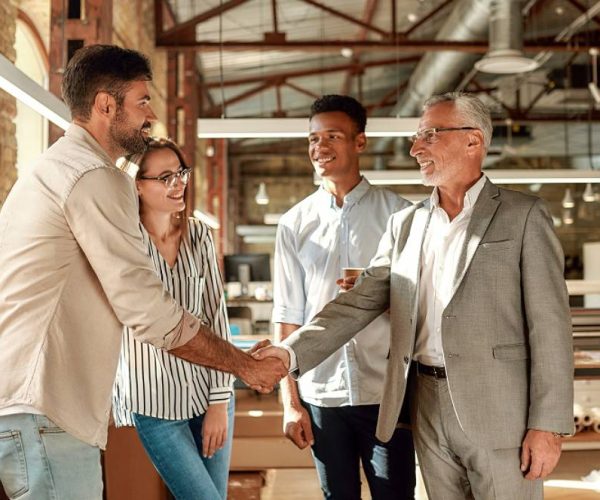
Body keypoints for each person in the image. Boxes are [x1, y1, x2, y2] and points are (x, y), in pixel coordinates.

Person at [0, 44, 285, 500]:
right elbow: (147, 311)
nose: (150, 115)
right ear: (105, 106)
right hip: (47, 407)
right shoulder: (95, 176)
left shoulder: (48, 170)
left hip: (25, 404)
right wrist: (246, 367)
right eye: (142, 102)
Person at [256, 92, 574, 500]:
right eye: (416, 137)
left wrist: (547, 425)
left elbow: (550, 328)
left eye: (429, 135)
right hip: (424, 404)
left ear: (473, 141)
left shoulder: (523, 215)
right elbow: (359, 303)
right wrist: (288, 354)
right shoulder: (406, 224)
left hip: (501, 413)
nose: (414, 148)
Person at [272, 94, 415, 499]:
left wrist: (381, 295)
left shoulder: (400, 215)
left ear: (360, 142)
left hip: (386, 393)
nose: (320, 147)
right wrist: (291, 403)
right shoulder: (293, 223)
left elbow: (424, 306)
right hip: (321, 394)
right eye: (314, 139)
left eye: (332, 136)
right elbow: (287, 316)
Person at [112, 138, 234, 500]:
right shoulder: (123, 241)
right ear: (137, 184)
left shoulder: (198, 235)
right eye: (164, 177)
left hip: (208, 391)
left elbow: (215, 315)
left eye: (180, 172)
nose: (178, 183)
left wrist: (219, 402)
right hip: (152, 402)